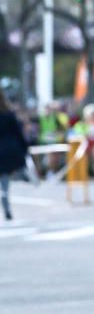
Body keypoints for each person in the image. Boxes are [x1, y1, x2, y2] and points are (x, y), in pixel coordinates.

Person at [0, 90, 29, 221]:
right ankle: (6, 208)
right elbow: (18, 133)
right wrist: (25, 149)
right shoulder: (9, 114)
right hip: (8, 153)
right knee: (4, 182)